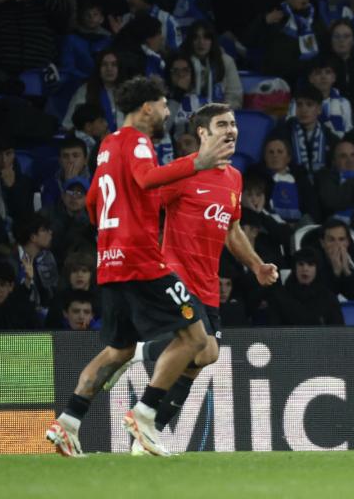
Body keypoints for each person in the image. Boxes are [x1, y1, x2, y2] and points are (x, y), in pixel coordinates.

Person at [45, 75, 234, 458]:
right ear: (147, 106)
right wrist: (196, 162)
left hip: (111, 260)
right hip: (143, 259)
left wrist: (112, 237)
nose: (167, 112)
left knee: (118, 350)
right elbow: (148, 179)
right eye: (164, 105)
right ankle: (145, 415)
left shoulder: (107, 145)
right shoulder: (137, 141)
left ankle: (67, 422)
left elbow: (94, 200)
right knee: (198, 338)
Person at [108, 103, 278, 451]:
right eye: (221, 124)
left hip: (207, 282)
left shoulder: (234, 177)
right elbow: (142, 203)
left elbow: (232, 231)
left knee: (205, 356)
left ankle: (145, 436)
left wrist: (257, 265)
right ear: (203, 133)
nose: (231, 130)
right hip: (175, 275)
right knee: (199, 345)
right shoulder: (182, 173)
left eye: (233, 123)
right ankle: (137, 353)